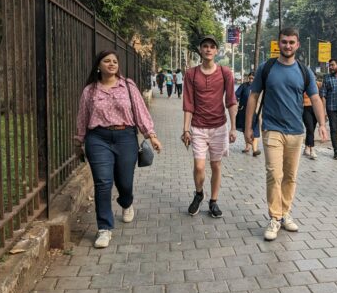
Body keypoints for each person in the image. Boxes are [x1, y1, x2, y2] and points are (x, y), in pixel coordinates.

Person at [244, 27, 328, 241]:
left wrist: (322, 124)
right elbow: (253, 97)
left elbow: (316, 98)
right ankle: (274, 217)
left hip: (296, 132)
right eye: (284, 42)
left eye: (291, 42)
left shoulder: (303, 70)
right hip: (271, 129)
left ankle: (285, 213)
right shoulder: (267, 68)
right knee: (274, 174)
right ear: (278, 43)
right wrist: (248, 127)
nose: (288, 46)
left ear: (297, 45)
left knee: (290, 176)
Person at [74, 50, 162, 248]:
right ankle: (104, 229)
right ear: (99, 65)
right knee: (103, 182)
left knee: (125, 181)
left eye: (115, 61)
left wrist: (152, 135)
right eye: (107, 61)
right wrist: (79, 142)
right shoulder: (90, 91)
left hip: (125, 137)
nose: (112, 64)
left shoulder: (128, 86)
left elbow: (140, 111)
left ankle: (126, 201)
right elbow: (82, 117)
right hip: (98, 139)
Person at [182, 35, 237, 218]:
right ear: (200, 49)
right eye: (205, 46)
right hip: (198, 127)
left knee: (216, 165)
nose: (208, 49)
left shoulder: (225, 73)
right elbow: (188, 103)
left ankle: (213, 201)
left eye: (212, 47)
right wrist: (186, 129)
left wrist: (233, 127)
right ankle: (199, 194)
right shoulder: (191, 74)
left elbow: (231, 100)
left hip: (219, 127)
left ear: (216, 51)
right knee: (199, 166)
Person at [235, 72, 261, 156]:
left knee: (255, 130)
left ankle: (255, 149)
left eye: (253, 78)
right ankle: (247, 146)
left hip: (255, 112)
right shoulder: (244, 86)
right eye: (250, 78)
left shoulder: (259, 86)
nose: (251, 80)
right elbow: (236, 95)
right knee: (245, 129)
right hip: (244, 112)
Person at [302, 79, 322, 159]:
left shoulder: (318, 84)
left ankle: (306, 147)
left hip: (315, 109)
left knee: (311, 130)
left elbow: (322, 96)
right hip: (305, 108)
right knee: (310, 128)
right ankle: (312, 150)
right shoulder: (302, 84)